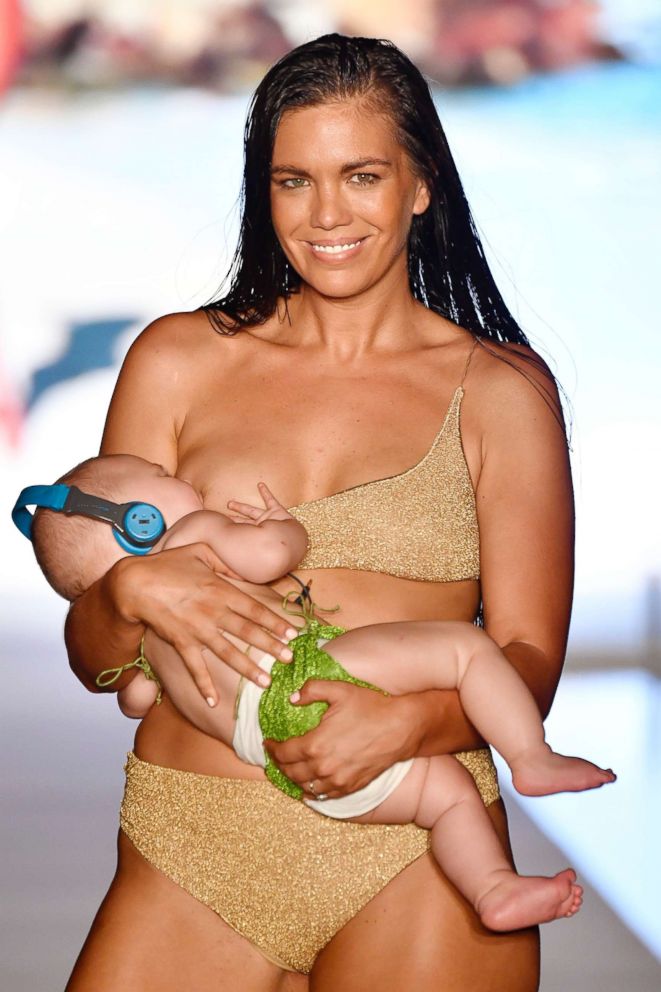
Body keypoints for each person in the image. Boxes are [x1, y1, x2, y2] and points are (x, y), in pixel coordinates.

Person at [60, 32, 580, 992]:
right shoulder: (175, 362)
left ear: (420, 184)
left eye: (361, 175)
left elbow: (528, 659)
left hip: (418, 851)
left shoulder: (501, 390)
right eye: (293, 180)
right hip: (191, 838)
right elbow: (96, 658)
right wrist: (133, 588)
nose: (326, 213)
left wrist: (409, 727)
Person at [20, 452, 613, 931]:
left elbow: (135, 702)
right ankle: (530, 757)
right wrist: (281, 525)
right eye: (162, 479)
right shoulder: (193, 537)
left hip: (273, 752)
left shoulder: (146, 649)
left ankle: (493, 891)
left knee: (445, 795)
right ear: (140, 521)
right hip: (302, 674)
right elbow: (274, 554)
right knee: (464, 648)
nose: (180, 478)